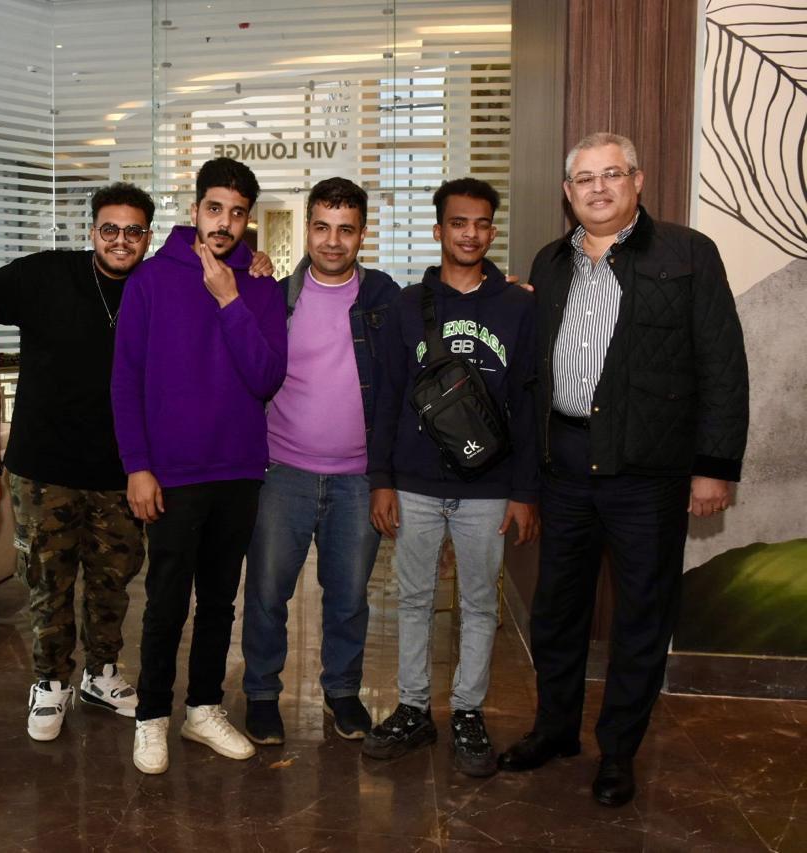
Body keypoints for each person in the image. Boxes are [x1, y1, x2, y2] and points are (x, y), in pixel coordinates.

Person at [0, 186, 275, 743]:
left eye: (133, 231)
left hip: (122, 469)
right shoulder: (45, 275)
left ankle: (101, 673)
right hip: (45, 467)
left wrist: (252, 260)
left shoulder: (162, 284)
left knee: (113, 583)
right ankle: (50, 681)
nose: (121, 240)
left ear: (149, 236)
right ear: (92, 231)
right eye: (110, 229)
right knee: (47, 584)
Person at [497, 133, 749, 807]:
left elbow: (723, 364)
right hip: (565, 466)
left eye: (612, 174)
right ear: (568, 193)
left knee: (641, 616)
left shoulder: (688, 254)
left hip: (648, 473)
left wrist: (714, 467)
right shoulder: (550, 262)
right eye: (585, 178)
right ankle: (555, 729)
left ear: (637, 181)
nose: (598, 188)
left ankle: (618, 752)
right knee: (557, 610)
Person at [111, 157, 288, 775]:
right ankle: (151, 717)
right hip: (172, 473)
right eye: (215, 208)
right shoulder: (151, 280)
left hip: (238, 469)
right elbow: (125, 380)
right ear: (194, 210)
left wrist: (231, 300)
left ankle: (204, 708)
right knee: (165, 601)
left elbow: (266, 377)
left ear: (248, 220)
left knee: (219, 602)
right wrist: (137, 465)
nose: (224, 223)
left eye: (237, 213)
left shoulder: (260, 286)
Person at [365, 178, 539, 777]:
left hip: (488, 488)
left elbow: (527, 402)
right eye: (459, 223)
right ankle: (414, 708)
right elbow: (387, 397)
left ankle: (468, 711)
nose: (471, 233)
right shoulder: (407, 306)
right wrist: (381, 479)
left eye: (482, 223)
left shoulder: (517, 307)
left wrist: (524, 491)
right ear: (439, 230)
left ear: (492, 230)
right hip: (414, 482)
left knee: (479, 604)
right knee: (412, 600)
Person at [240, 177, 399, 746]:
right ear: (308, 229)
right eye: (323, 227)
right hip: (282, 472)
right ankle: (262, 694)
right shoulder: (275, 297)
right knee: (266, 594)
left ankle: (343, 692)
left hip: (357, 479)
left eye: (346, 230)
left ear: (362, 234)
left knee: (350, 598)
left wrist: (499, 292)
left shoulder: (384, 300)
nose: (333, 241)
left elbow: (439, 310)